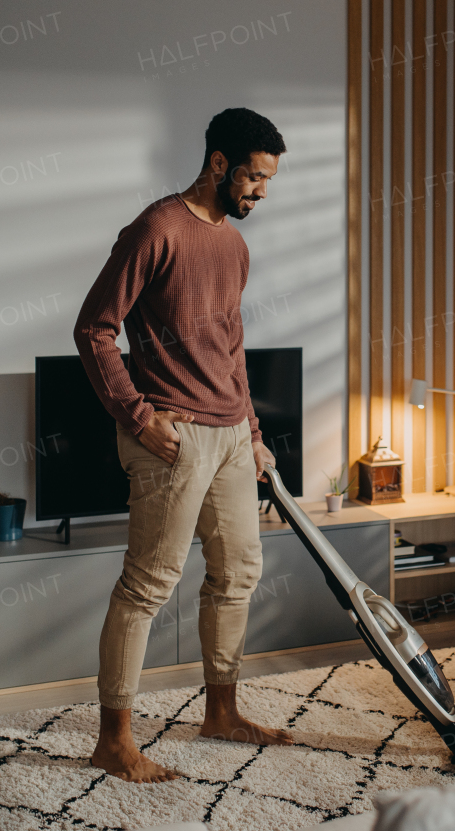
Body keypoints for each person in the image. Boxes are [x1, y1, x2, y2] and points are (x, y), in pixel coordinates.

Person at [73, 107, 292, 784]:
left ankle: (221, 711)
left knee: (238, 573)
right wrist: (138, 417)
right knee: (147, 585)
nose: (262, 192)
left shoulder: (234, 246)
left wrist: (253, 435)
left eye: (269, 181)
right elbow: (94, 329)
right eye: (255, 177)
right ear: (219, 163)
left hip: (229, 436)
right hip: (172, 437)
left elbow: (231, 350)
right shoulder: (157, 228)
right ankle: (114, 740)